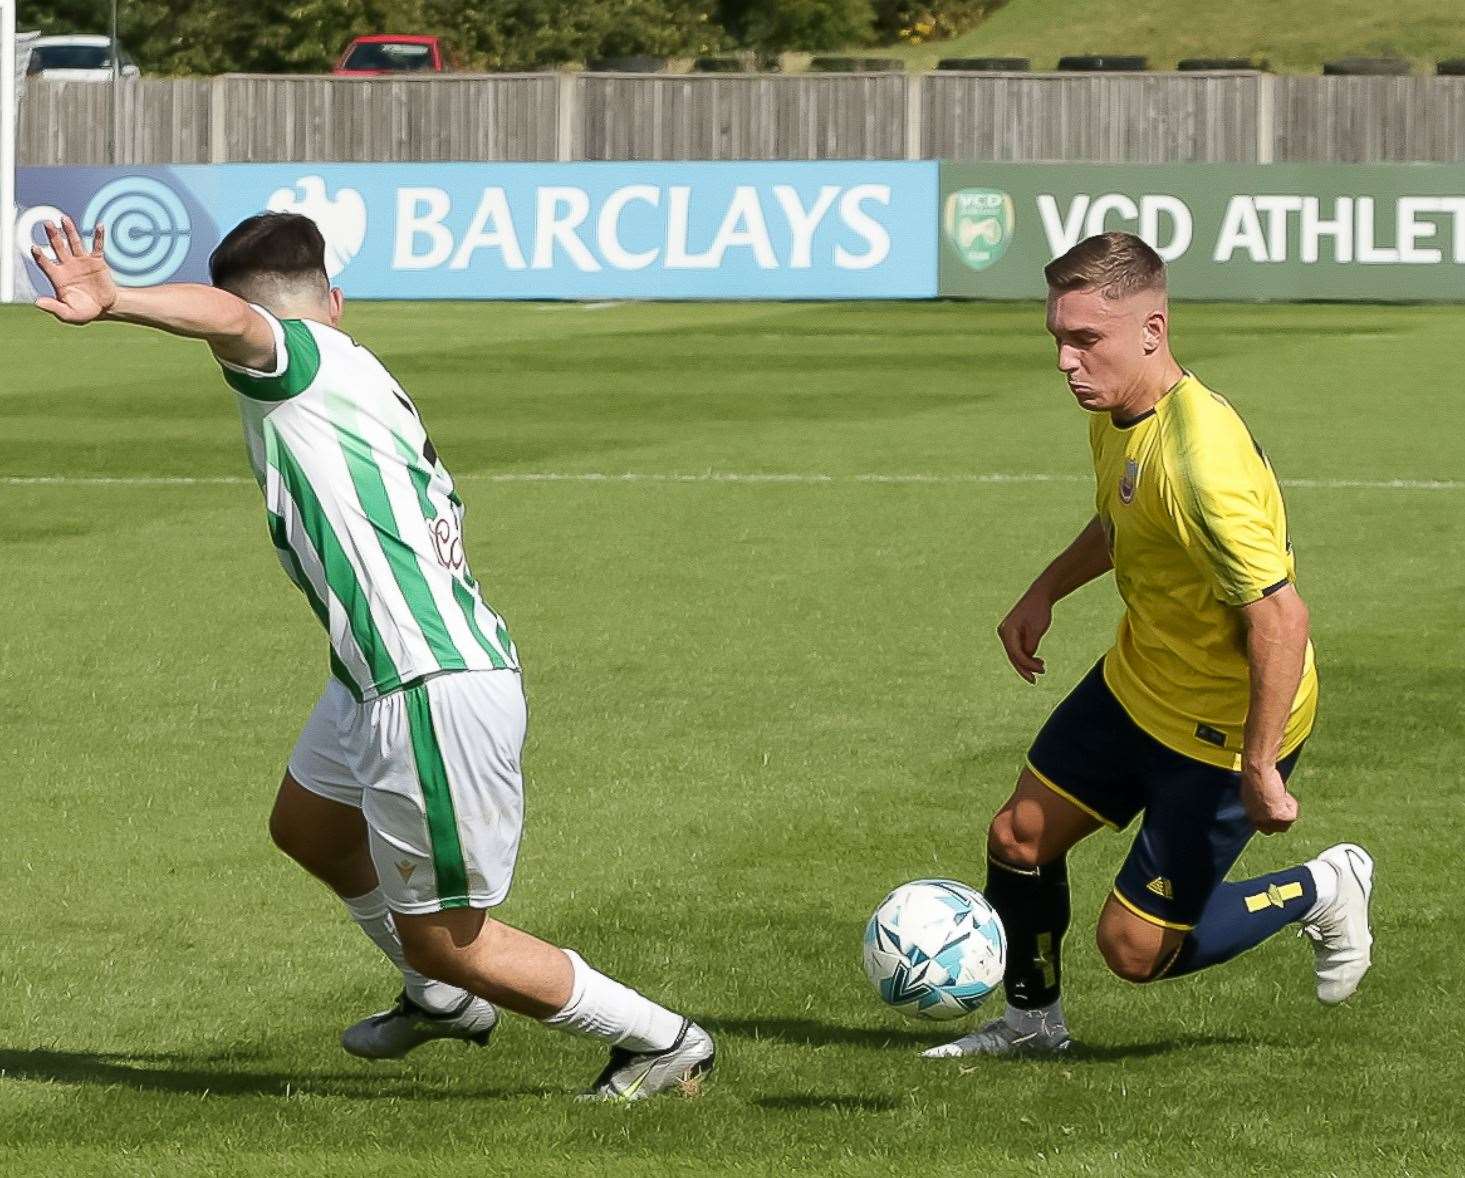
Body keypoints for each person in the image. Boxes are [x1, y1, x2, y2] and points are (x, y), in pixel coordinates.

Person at [30, 211, 714, 1100]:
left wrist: (117, 298)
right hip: (373, 672)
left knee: (450, 935)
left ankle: (663, 1041)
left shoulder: (296, 361)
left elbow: (241, 323)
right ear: (339, 299)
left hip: (423, 681)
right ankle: (440, 1002)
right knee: (308, 827)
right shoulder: (353, 364)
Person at [926, 232, 1373, 1059]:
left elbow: (1281, 620)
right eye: (1057, 337)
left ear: (1150, 331)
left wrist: (1261, 766)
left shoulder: (1201, 464)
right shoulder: (1120, 407)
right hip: (1140, 681)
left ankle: (1322, 885)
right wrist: (1044, 590)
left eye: (1084, 339)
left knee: (1134, 952)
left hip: (1221, 727)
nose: (1065, 359)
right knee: (1017, 839)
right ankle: (1030, 1025)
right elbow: (1122, 519)